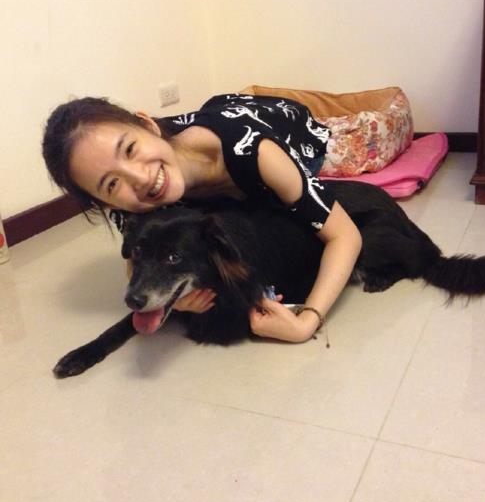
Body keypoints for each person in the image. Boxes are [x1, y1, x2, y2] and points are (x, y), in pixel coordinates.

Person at [42, 93, 362, 342]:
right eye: (111, 184)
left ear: (148, 126)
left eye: (129, 149)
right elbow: (137, 259)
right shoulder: (129, 202)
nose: (139, 178)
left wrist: (307, 322)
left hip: (287, 126)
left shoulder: (258, 152)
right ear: (104, 202)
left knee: (292, 210)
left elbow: (344, 236)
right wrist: (174, 299)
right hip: (215, 123)